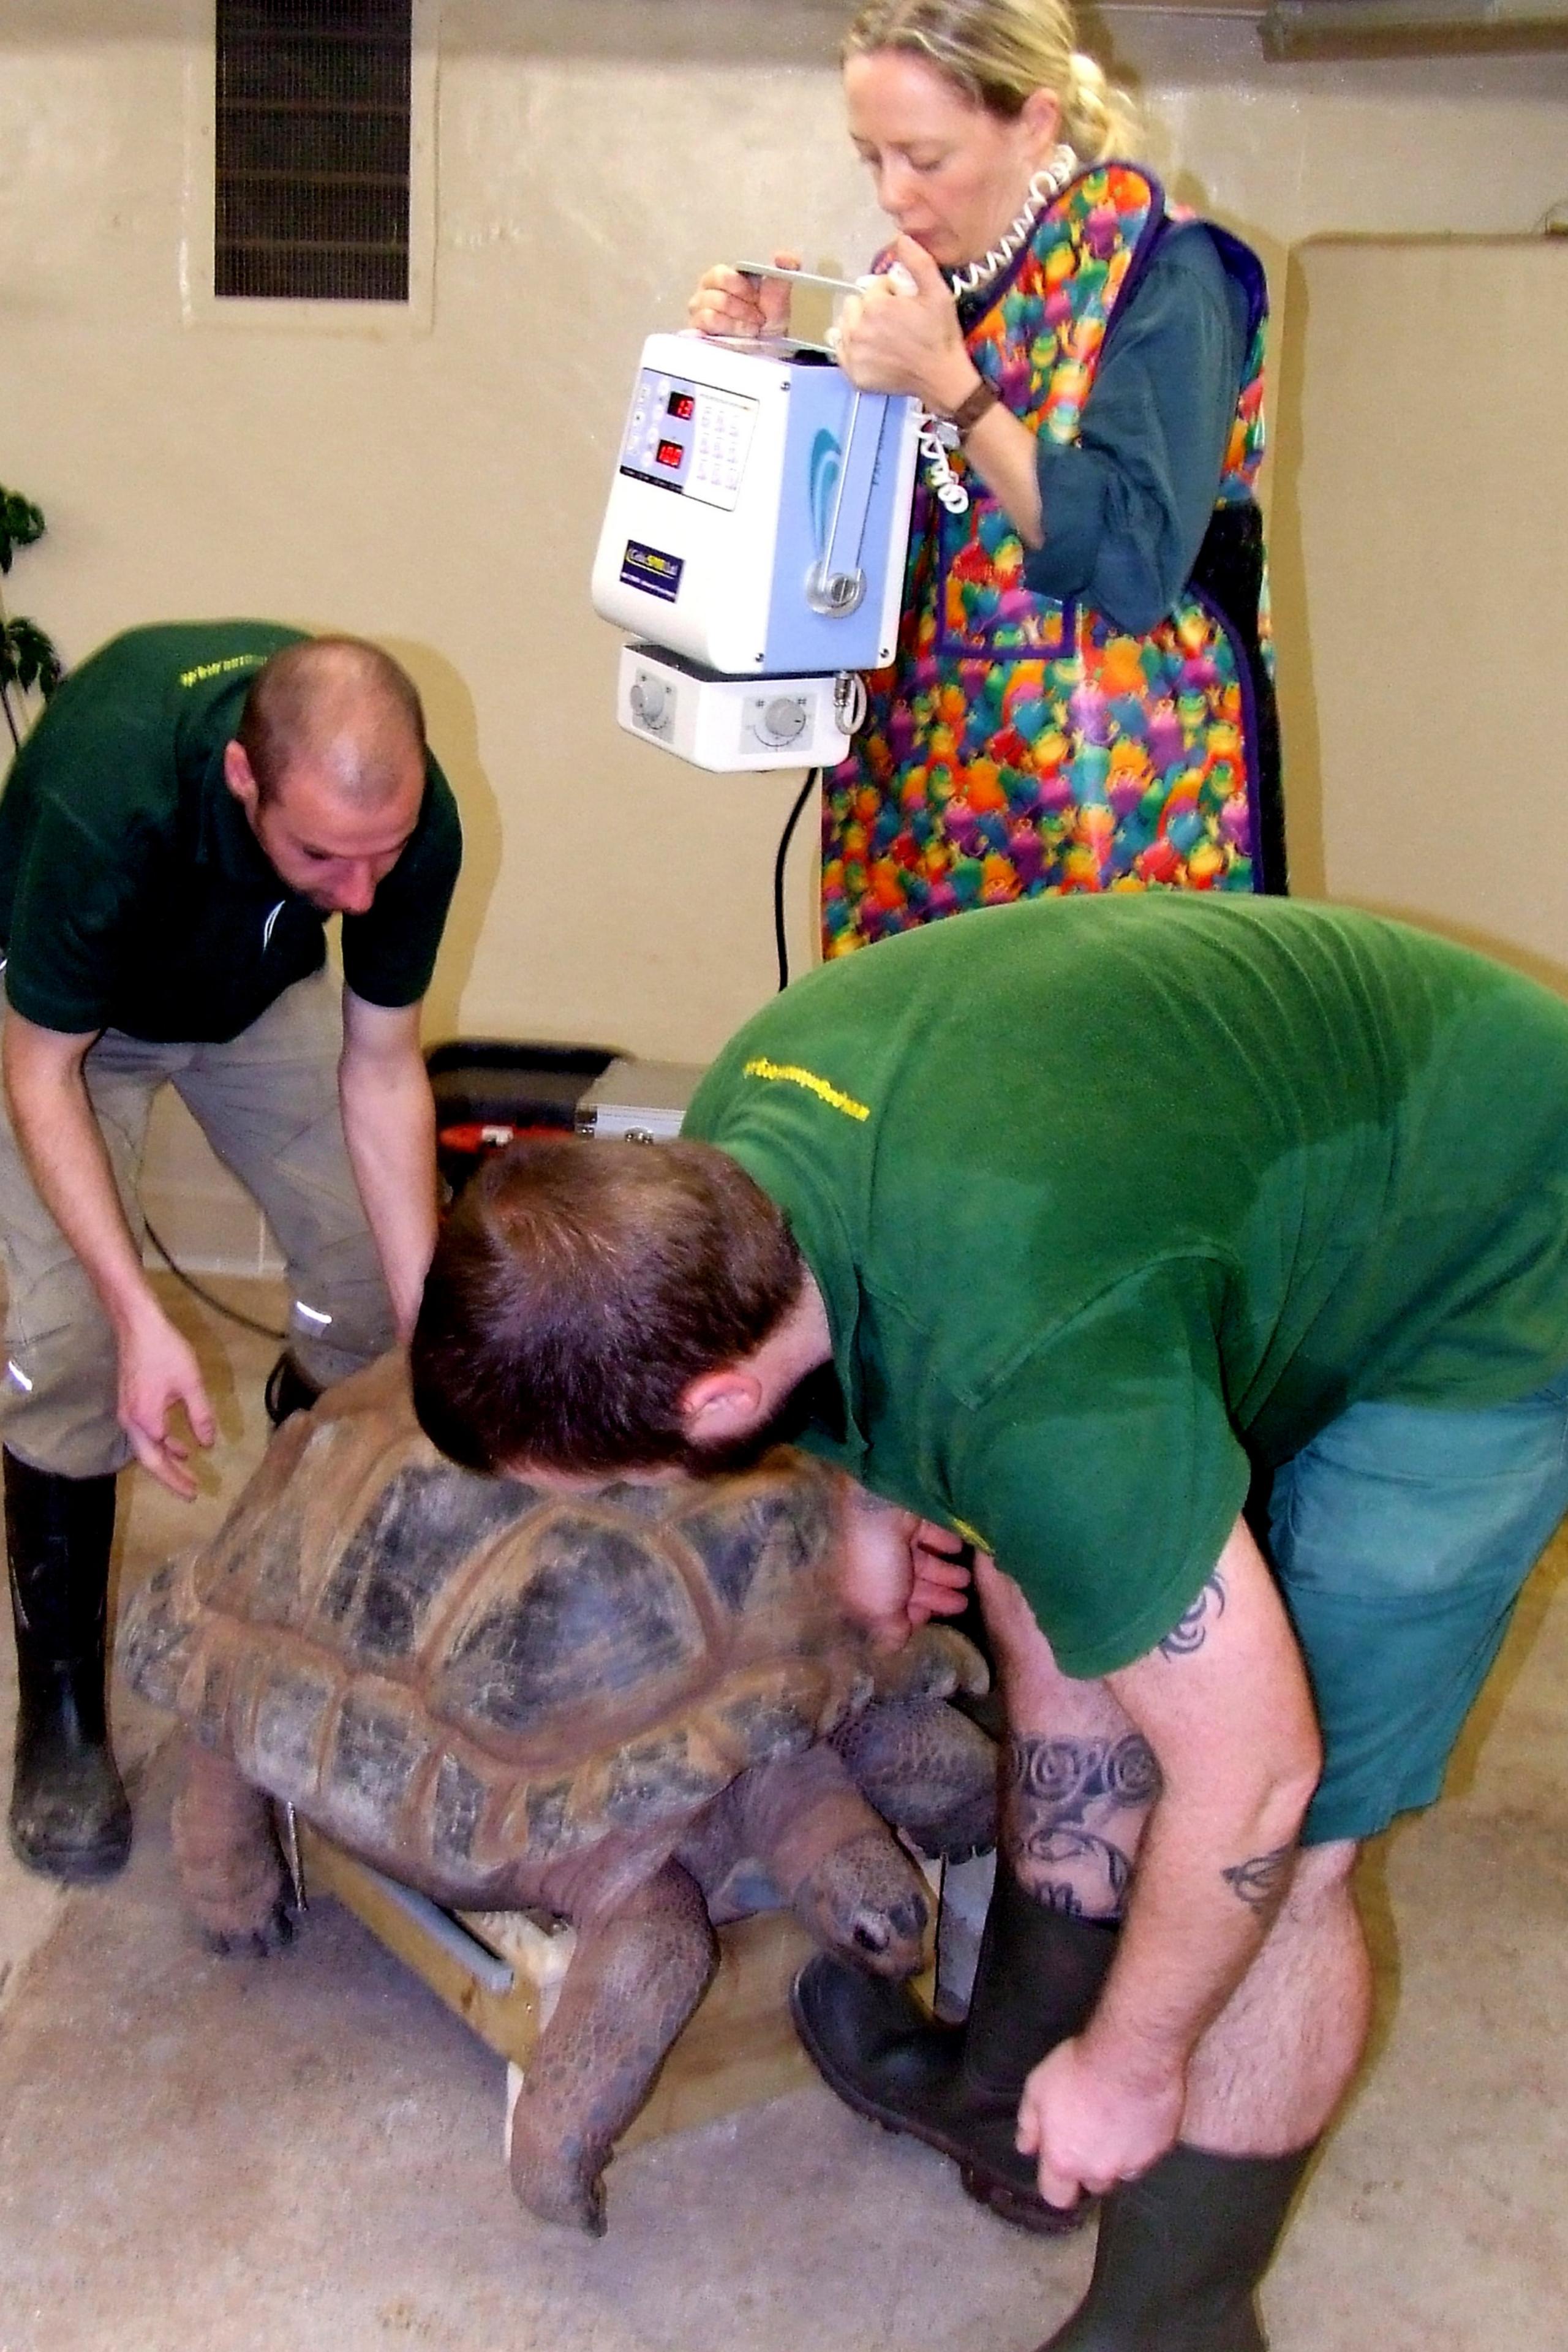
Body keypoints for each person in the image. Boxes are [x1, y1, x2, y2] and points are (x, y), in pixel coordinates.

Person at [409, 893, 1568, 2351]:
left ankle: (1172, 2321)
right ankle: (1009, 2093)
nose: (630, 1496)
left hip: (1494, 1249)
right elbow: (861, 1328)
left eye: (622, 1475)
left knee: (1295, 1845)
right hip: (1199, 1190)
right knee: (1044, 1599)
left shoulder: (1038, 1374)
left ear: (710, 1404)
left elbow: (1252, 1777)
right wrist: (868, 1498)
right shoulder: (723, 1155)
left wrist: (1138, 2067)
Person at [0, 620, 462, 1884]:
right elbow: (38, 1073)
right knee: (72, 1343)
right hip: (66, 1032)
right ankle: (62, 1717)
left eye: (384, 858)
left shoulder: (399, 822)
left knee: (373, 1294)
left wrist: (432, 1343)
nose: (361, 895)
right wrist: (140, 1316)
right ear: (243, 781)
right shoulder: (111, 797)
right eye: (326, 857)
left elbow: (381, 1071)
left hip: (247, 1002)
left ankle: (292, 1568)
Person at [690, 0, 1285, 957]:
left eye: (924, 160)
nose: (893, 194)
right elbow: (845, 558)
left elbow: (1134, 564)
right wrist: (762, 372)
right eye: (871, 158)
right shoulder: (918, 294)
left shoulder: (1166, 276)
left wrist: (951, 388)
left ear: (1036, 122)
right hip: (917, 811)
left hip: (1110, 820)